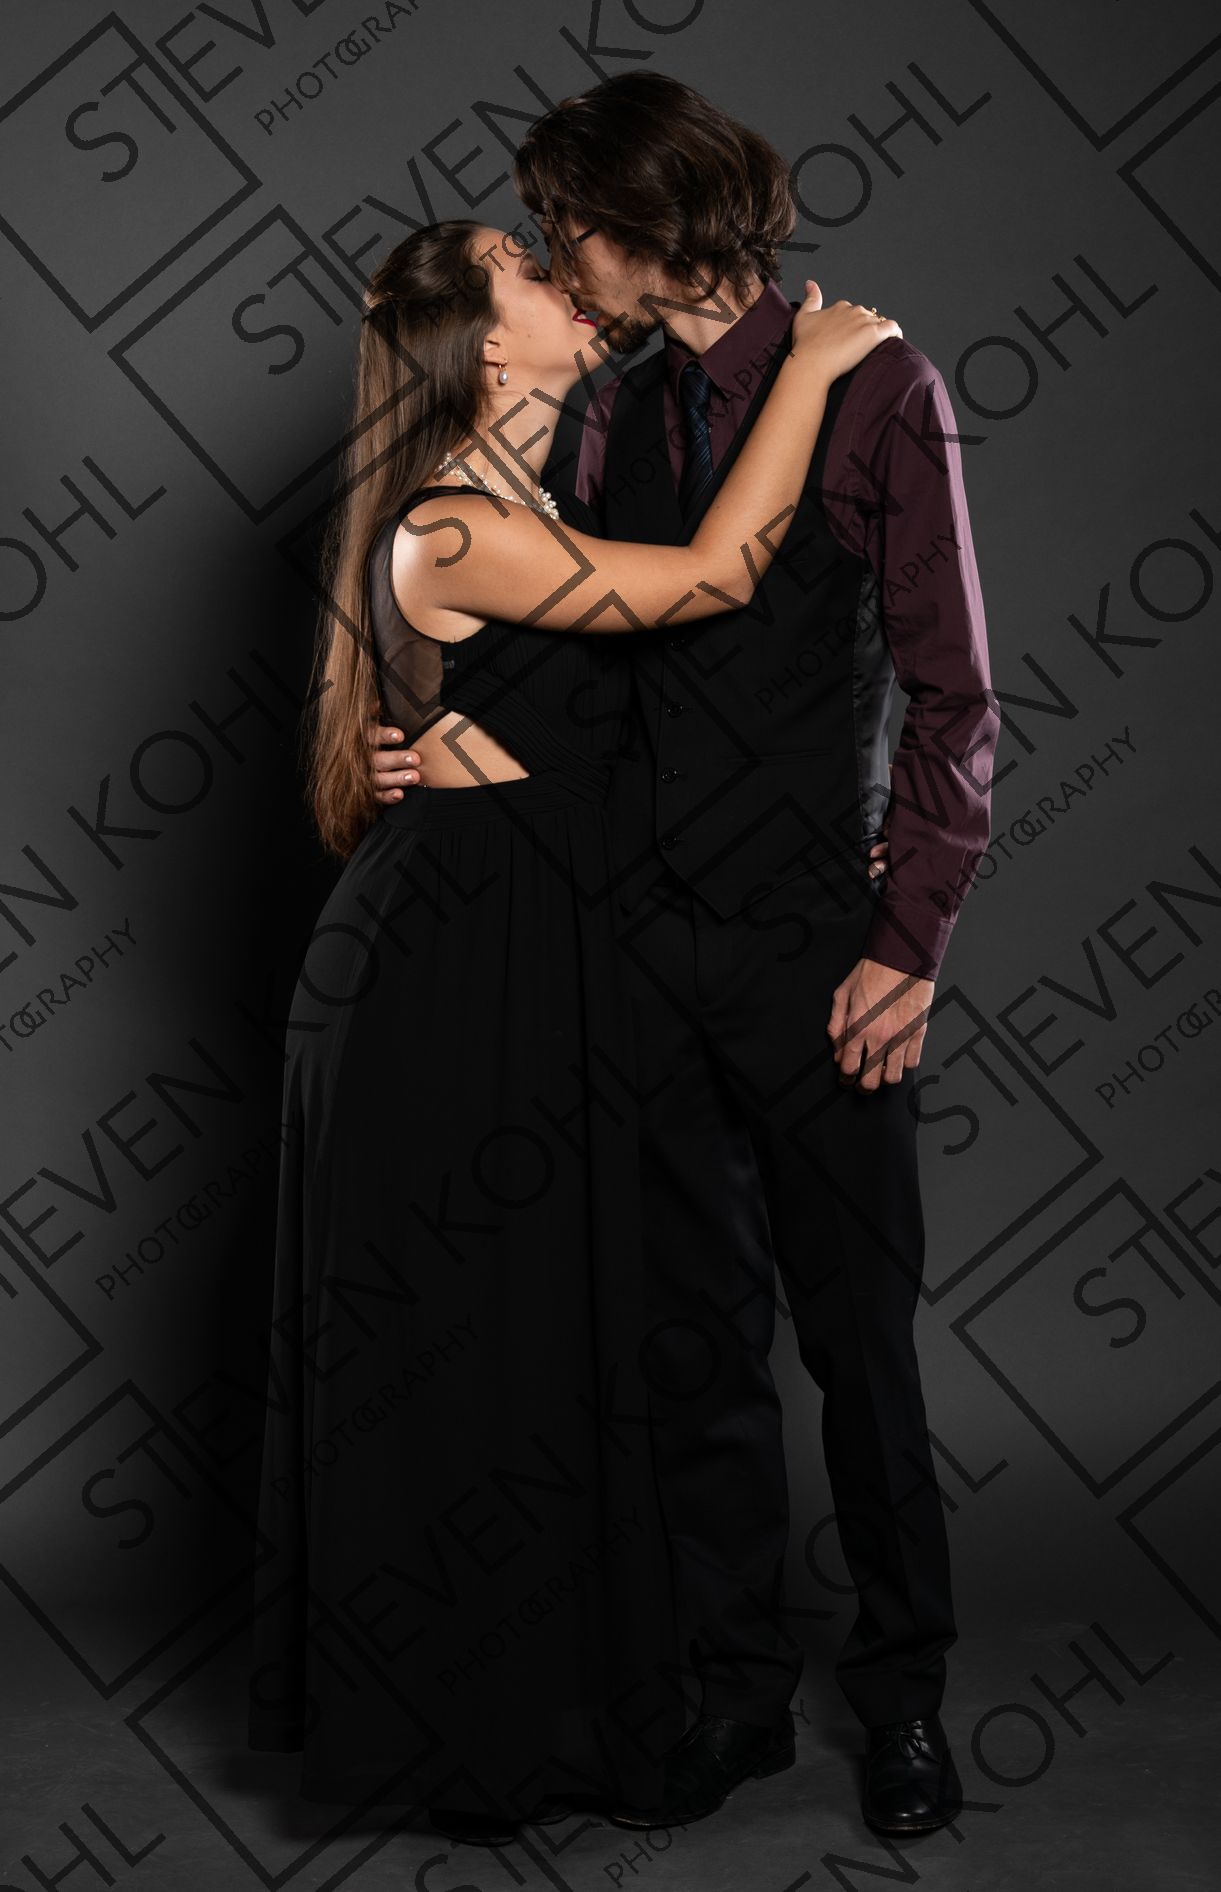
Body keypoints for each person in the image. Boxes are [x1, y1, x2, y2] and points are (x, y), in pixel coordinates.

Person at [370, 72, 1000, 1837]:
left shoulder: (882, 388)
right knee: (688, 1348)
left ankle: (904, 1702)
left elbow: (955, 697)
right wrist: (440, 754)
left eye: (561, 227)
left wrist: (910, 935)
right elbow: (585, 666)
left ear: (642, 221)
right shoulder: (611, 408)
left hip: (821, 953)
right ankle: (734, 1695)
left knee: (859, 1344)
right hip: (632, 948)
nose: (555, 259)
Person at [244, 209, 900, 1846]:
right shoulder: (454, 526)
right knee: (467, 1347)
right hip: (449, 970)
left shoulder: (557, 492)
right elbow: (715, 578)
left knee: (541, 1340)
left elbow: (689, 696)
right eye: (527, 269)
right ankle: (454, 1734)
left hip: (538, 948)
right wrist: (811, 369)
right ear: (483, 339)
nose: (563, 274)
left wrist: (840, 819)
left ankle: (550, 1708)